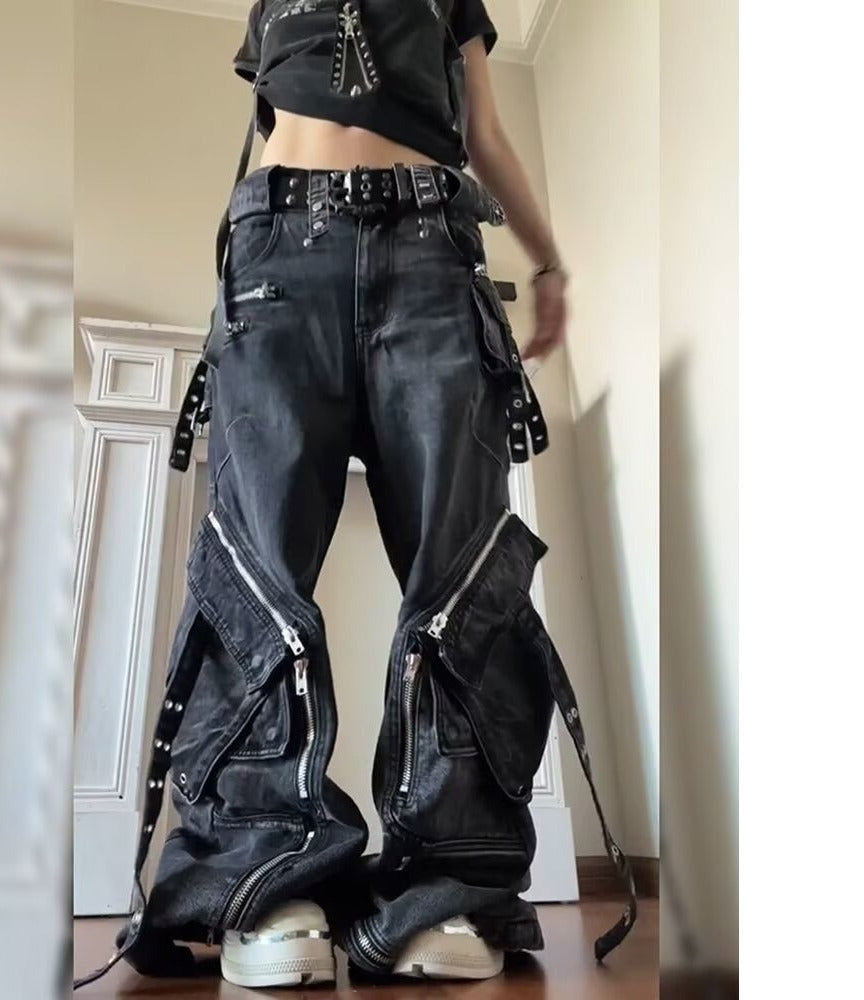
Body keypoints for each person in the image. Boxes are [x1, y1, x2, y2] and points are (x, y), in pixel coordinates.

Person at [74, 0, 634, 991]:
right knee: (256, 566)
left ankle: (446, 881)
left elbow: (483, 131)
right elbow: (270, 127)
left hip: (434, 248)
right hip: (274, 250)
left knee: (460, 573)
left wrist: (548, 260)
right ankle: (262, 877)